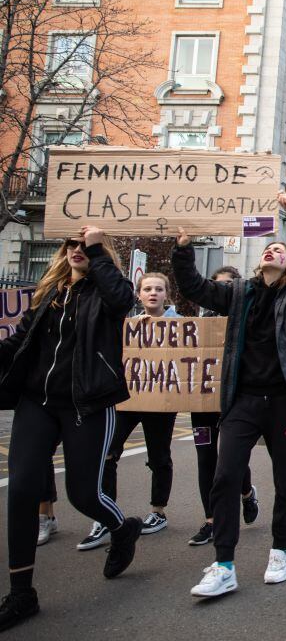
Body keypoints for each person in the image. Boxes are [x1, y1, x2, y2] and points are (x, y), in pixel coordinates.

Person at [181, 192, 286, 596]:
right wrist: (182, 250)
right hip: (243, 401)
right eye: (268, 248)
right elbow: (195, 288)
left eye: (279, 249)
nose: (272, 251)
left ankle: (280, 551)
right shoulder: (238, 293)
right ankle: (224, 564)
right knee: (226, 475)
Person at [0, 227, 142, 632]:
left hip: (88, 404)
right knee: (23, 489)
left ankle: (121, 528)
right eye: (72, 244)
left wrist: (98, 249)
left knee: (84, 494)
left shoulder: (109, 293)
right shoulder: (51, 293)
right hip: (36, 403)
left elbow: (122, 299)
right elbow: (20, 343)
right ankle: (22, 593)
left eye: (86, 245)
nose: (77, 250)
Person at [83, 273, 181, 549]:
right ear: (138, 294)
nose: (153, 293)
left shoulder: (181, 326)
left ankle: (158, 511)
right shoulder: (127, 326)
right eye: (147, 289)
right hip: (127, 399)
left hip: (161, 401)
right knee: (108, 453)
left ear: (166, 294)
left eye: (159, 289)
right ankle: (106, 514)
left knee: (159, 455)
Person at [188, 266, 259, 547]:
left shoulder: (249, 320)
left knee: (230, 461)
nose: (224, 290)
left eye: (230, 285)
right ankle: (211, 520)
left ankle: (246, 493)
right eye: (218, 286)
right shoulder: (199, 326)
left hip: (233, 401)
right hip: (202, 402)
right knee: (206, 459)